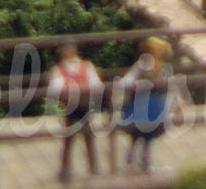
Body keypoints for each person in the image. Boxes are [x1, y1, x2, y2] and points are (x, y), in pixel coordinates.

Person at [114, 37, 176, 175]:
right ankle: (132, 150)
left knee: (151, 129)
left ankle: (145, 156)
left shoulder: (165, 67)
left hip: (155, 103)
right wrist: (137, 84)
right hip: (140, 101)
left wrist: (175, 102)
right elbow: (128, 79)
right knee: (137, 128)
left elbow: (171, 85)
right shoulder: (142, 65)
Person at [47, 42, 103, 182]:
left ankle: (93, 165)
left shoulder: (86, 66)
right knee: (69, 138)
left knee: (88, 136)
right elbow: (55, 88)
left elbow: (96, 84)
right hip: (70, 106)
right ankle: (65, 169)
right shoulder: (58, 69)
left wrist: (83, 90)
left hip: (83, 104)